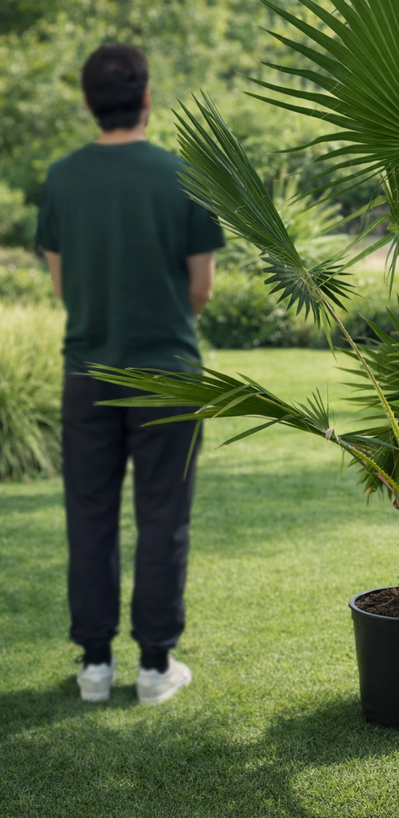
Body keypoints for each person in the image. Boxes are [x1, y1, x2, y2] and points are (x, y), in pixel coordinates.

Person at [36, 44, 226, 704]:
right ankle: (153, 668)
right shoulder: (182, 176)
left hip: (87, 375)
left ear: (90, 103)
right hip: (168, 375)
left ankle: (94, 668)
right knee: (162, 517)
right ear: (147, 99)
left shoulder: (61, 179)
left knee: (88, 517)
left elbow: (64, 284)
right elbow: (200, 289)